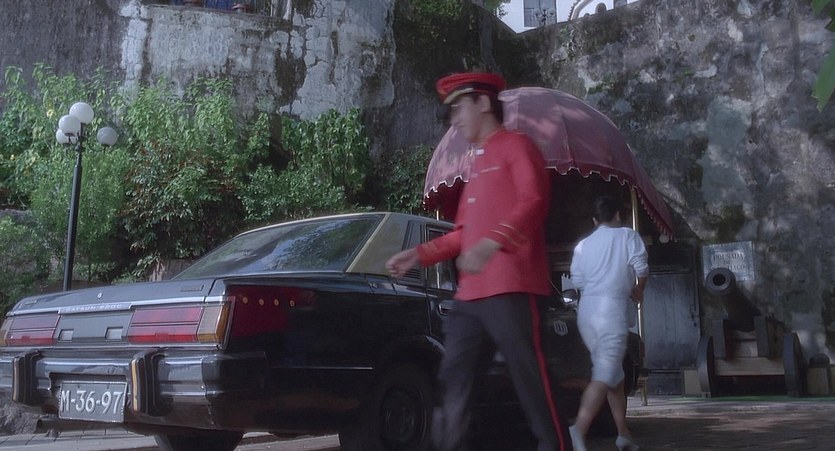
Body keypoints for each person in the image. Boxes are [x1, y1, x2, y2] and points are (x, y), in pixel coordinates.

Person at [385, 72, 570, 451]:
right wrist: (418, 254)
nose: (454, 120)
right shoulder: (477, 163)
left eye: (458, 108)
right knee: (454, 380)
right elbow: (462, 235)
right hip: (470, 296)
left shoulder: (517, 146)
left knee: (530, 379)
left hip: (512, 287)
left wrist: (493, 242)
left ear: (483, 103)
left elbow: (534, 201)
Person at [567, 195, 648, 451]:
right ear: (618, 215)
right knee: (604, 374)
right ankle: (578, 428)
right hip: (610, 312)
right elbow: (642, 268)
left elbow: (578, 280)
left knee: (614, 375)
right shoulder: (627, 236)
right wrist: (638, 289)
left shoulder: (583, 245)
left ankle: (623, 434)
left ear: (595, 220)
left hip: (586, 313)